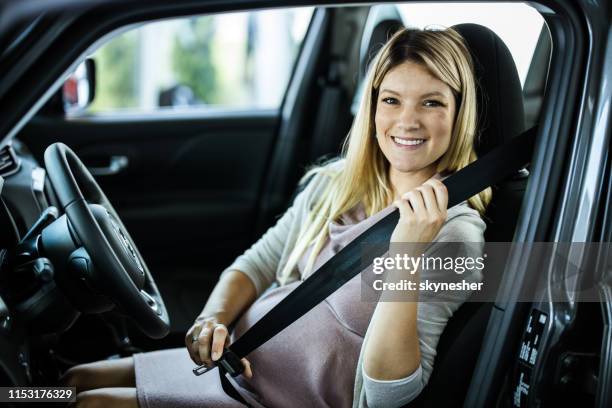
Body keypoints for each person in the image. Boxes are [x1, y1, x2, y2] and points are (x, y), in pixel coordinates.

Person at [61, 26, 490, 408]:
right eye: (392, 100)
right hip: (233, 365)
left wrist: (407, 256)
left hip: (272, 399)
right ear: (374, 108)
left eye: (431, 103)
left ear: (458, 113)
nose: (407, 120)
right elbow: (257, 264)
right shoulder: (337, 183)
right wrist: (213, 319)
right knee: (69, 384)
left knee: (92, 403)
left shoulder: (454, 234)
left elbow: (389, 396)